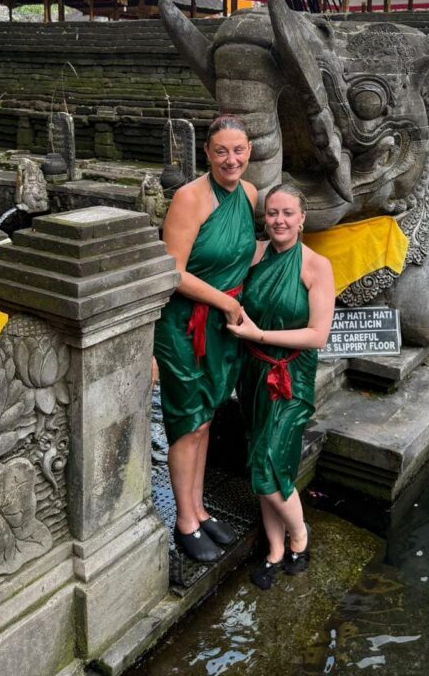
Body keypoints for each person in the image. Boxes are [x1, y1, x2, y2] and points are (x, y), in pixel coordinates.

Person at [154, 115, 258, 563]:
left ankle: (198, 508)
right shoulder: (189, 198)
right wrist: (225, 302)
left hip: (223, 324)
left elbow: (246, 254)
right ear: (208, 154)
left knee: (207, 417)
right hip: (185, 325)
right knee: (187, 419)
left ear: (249, 152)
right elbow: (172, 271)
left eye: (238, 151)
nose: (230, 160)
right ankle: (185, 521)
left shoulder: (251, 195)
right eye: (221, 151)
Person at [227, 182, 335, 590]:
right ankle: (274, 547)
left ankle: (300, 533)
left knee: (270, 462)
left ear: (302, 218)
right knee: (261, 459)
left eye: (288, 213)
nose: (279, 220)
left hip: (291, 377)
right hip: (253, 374)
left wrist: (259, 335)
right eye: (272, 213)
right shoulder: (255, 255)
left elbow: (318, 335)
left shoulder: (315, 266)